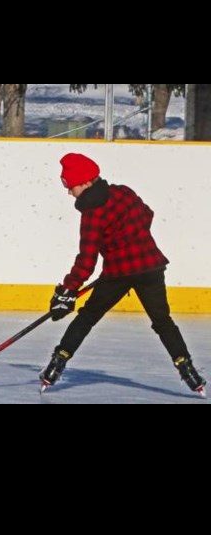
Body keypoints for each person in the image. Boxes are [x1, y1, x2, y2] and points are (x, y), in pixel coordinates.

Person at [40, 153, 206, 396]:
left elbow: (87, 260)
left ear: (85, 182)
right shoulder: (123, 192)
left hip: (118, 273)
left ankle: (56, 365)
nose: (68, 192)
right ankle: (188, 371)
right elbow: (147, 214)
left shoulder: (92, 214)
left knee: (88, 316)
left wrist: (69, 290)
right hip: (150, 266)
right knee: (162, 321)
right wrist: (130, 240)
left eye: (69, 185)